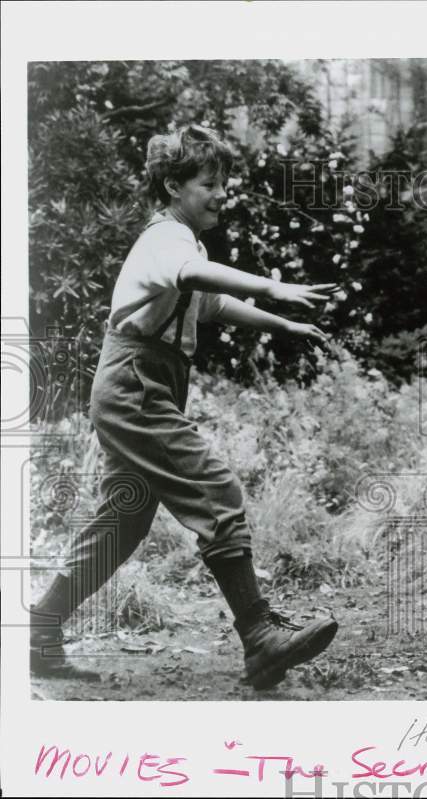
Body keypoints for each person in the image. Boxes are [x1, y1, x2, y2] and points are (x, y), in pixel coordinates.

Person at [30, 125, 340, 690]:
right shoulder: (164, 240)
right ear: (174, 186)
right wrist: (272, 287)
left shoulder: (183, 244)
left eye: (223, 183)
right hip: (136, 381)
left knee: (122, 522)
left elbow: (210, 301)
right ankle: (260, 638)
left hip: (147, 381)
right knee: (216, 489)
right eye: (209, 183)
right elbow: (194, 277)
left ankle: (40, 629)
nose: (221, 193)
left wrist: (283, 322)